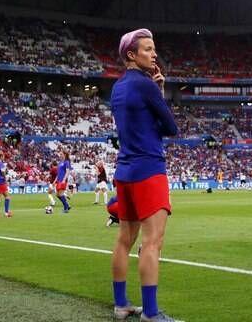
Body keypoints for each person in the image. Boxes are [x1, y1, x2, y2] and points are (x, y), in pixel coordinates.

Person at [110, 28, 181, 321]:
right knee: (153, 242)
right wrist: (160, 93)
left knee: (124, 239)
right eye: (148, 49)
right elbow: (170, 127)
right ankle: (150, 313)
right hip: (149, 169)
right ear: (131, 54)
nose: (154, 54)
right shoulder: (146, 85)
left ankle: (121, 304)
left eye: (154, 49)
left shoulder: (118, 87)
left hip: (125, 170)